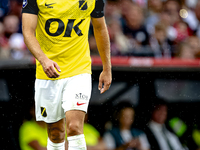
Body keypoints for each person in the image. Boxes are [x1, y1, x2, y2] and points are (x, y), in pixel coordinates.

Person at [21, 0, 112, 149]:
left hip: (79, 69)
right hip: (48, 73)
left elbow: (100, 28)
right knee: (56, 133)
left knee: (74, 127)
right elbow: (27, 31)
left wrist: (107, 68)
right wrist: (44, 60)